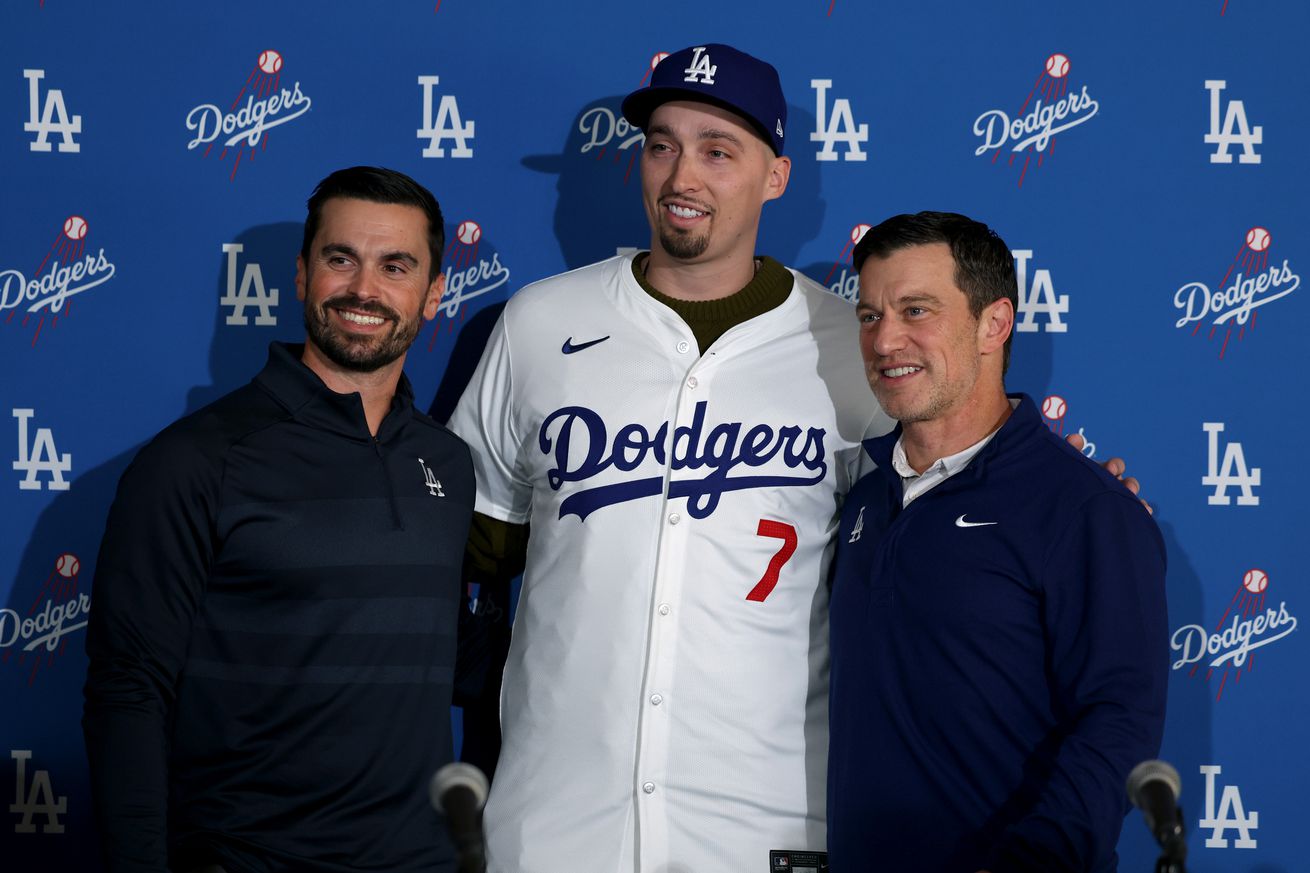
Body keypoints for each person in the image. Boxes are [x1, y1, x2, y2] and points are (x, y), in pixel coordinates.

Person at [450, 45, 1143, 872]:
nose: (682, 176)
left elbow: (944, 492)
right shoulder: (535, 323)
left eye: (718, 150)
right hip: (556, 819)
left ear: (776, 176)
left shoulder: (851, 348)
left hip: (769, 821)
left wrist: (1074, 502)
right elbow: (465, 541)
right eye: (663, 144)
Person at [83, 166, 474, 873]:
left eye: (396, 266)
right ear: (300, 275)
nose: (364, 289)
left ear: (435, 292)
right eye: (340, 259)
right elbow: (129, 691)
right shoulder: (198, 460)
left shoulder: (448, 463)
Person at [827, 212, 1167, 872]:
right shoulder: (864, 497)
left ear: (995, 323)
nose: (885, 339)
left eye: (915, 310)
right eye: (869, 316)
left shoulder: (1084, 508)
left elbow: (1119, 720)